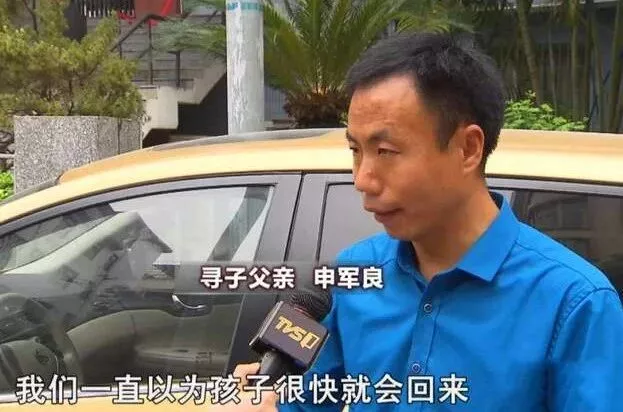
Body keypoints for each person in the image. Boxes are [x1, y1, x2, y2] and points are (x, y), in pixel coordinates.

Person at [224, 32, 623, 411]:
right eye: (356, 150)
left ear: (468, 148)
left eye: (385, 151)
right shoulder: (354, 275)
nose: (362, 179)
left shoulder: (575, 304)